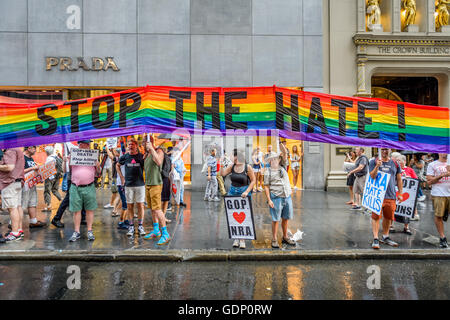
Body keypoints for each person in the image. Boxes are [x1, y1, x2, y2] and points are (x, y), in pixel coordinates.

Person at [220, 149, 256, 249]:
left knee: (244, 216)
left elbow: (253, 181)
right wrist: (221, 163)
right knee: (234, 215)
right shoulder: (232, 166)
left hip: (244, 192)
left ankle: (242, 239)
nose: (231, 157)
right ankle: (236, 237)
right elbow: (222, 174)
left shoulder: (247, 167)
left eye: (232, 156)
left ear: (237, 156)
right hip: (232, 192)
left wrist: (247, 191)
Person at [369, 148, 403, 250]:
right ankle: (375, 238)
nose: (385, 151)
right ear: (380, 150)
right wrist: (377, 166)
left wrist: (400, 193)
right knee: (375, 217)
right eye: (383, 149)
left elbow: (399, 179)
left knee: (388, 217)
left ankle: (385, 236)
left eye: (386, 149)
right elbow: (372, 176)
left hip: (391, 195)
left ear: (390, 150)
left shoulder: (395, 163)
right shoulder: (373, 161)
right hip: (377, 195)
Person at [67, 140, 101, 242]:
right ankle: (76, 231)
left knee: (90, 209)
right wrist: (66, 161)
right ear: (80, 144)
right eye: (85, 143)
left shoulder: (92, 156)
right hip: (75, 187)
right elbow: (66, 171)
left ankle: (89, 230)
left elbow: (98, 173)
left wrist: (98, 166)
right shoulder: (72, 155)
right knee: (76, 210)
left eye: (88, 144)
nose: (87, 145)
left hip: (89, 186)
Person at [264, 150, 295, 249]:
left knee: (285, 218)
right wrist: (269, 200)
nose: (274, 160)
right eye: (272, 159)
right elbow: (266, 186)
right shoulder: (267, 171)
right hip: (276, 197)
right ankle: (274, 239)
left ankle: (285, 237)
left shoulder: (283, 167)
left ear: (279, 160)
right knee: (275, 219)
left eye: (276, 158)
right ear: (270, 161)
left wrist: (281, 142)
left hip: (287, 196)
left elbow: (285, 153)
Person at [143, 135, 171, 245]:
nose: (143, 144)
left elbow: (159, 162)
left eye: (145, 141)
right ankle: (156, 230)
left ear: (150, 141)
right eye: (144, 142)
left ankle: (165, 233)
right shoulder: (147, 154)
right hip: (148, 184)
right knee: (152, 209)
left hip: (156, 184)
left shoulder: (158, 151)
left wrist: (152, 149)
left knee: (158, 209)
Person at [117, 138, 146, 237]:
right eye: (129, 144)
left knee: (140, 206)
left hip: (140, 185)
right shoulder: (124, 157)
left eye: (132, 144)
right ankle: (131, 226)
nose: (130, 146)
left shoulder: (141, 157)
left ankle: (140, 226)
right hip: (128, 185)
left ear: (136, 146)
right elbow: (117, 165)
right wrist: (122, 177)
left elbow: (146, 167)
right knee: (129, 206)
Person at [0, 148, 25, 242]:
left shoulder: (10, 151)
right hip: (17, 181)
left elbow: (9, 167)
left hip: (9, 182)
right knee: (17, 207)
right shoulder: (18, 150)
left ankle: (15, 233)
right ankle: (18, 230)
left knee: (12, 208)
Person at [426, 153, 450, 248]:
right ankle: (442, 237)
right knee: (439, 215)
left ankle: (446, 213)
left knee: (444, 214)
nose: (445, 153)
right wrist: (443, 175)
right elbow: (429, 181)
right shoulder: (432, 165)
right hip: (439, 194)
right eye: (443, 151)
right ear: (439, 152)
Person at [22, 146, 46, 228]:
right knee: (22, 204)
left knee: (32, 202)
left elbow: (33, 171)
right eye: (34, 148)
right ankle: (13, 223)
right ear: (29, 148)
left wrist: (39, 177)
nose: (35, 150)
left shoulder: (31, 159)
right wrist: (32, 168)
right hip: (24, 184)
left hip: (32, 184)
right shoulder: (22, 157)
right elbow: (20, 171)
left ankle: (33, 221)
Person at [396, 155, 419, 235]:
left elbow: (416, 180)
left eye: (399, 160)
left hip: (407, 195)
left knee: (406, 210)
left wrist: (408, 177)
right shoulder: (395, 169)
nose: (398, 162)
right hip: (397, 193)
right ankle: (390, 226)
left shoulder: (409, 169)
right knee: (394, 209)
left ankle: (406, 227)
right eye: (397, 160)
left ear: (404, 162)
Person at [42, 146, 62, 211]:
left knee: (47, 191)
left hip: (50, 177)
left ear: (47, 152)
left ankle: (49, 206)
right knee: (55, 190)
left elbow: (46, 169)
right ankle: (62, 201)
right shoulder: (57, 157)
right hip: (57, 176)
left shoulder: (49, 158)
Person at [104, 146, 119, 213]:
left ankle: (113, 204)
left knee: (115, 191)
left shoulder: (118, 158)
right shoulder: (118, 158)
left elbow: (111, 156)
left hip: (116, 177)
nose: (114, 152)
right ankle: (112, 204)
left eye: (115, 151)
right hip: (115, 177)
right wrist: (112, 149)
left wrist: (107, 149)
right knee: (115, 192)